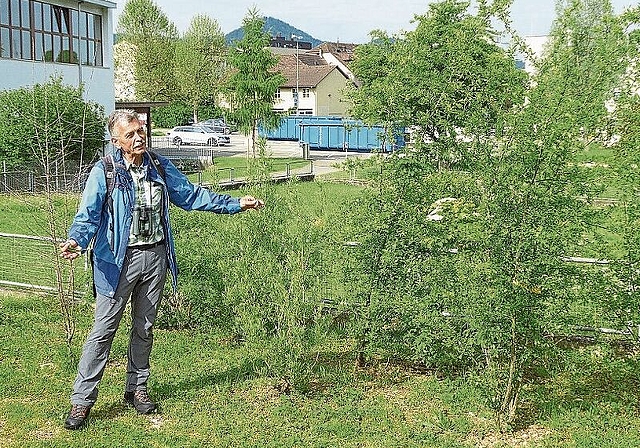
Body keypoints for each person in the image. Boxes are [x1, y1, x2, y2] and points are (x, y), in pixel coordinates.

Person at [59, 109, 264, 430]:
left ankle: (136, 389)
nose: (139, 137)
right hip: (116, 262)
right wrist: (76, 240)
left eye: (141, 131)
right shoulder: (105, 171)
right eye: (131, 134)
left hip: (155, 258)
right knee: (103, 332)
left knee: (144, 328)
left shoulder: (157, 165)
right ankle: (81, 401)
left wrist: (235, 203)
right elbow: (89, 214)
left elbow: (190, 195)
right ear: (116, 141)